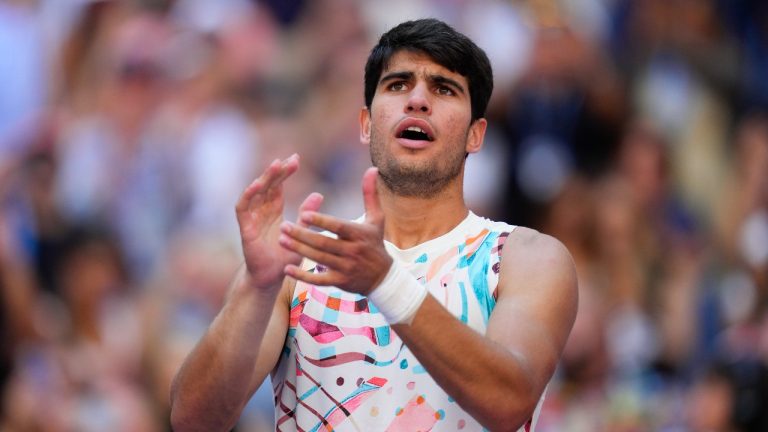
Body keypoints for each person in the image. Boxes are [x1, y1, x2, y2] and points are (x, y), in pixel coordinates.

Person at [170, 18, 577, 431]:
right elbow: (193, 421)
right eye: (397, 85)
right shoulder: (299, 264)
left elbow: (509, 402)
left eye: (443, 88)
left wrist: (385, 281)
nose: (417, 100)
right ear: (365, 125)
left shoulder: (524, 257)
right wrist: (256, 290)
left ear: (476, 135)